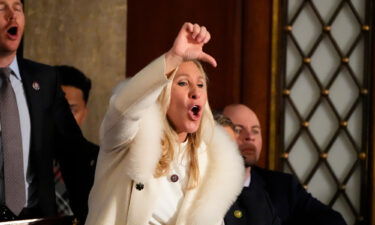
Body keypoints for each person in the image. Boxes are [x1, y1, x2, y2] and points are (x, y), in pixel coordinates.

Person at [85, 22, 245, 225]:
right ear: (162, 94)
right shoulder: (128, 139)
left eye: (201, 84)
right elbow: (124, 107)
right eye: (183, 83)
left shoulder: (209, 161)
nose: (195, 91)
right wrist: (174, 58)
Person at [0, 0, 90, 222]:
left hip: (36, 217)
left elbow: (74, 155)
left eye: (18, 8)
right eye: (1, 7)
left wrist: (89, 216)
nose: (13, 16)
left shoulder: (45, 80)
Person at [223, 104, 347, 225]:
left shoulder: (283, 187)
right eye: (238, 130)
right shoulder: (205, 188)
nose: (250, 137)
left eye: (255, 131)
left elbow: (333, 220)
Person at [54, 65, 99, 220]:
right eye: (56, 109)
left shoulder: (98, 159)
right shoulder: (23, 153)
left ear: (85, 112)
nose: (63, 117)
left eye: (72, 110)